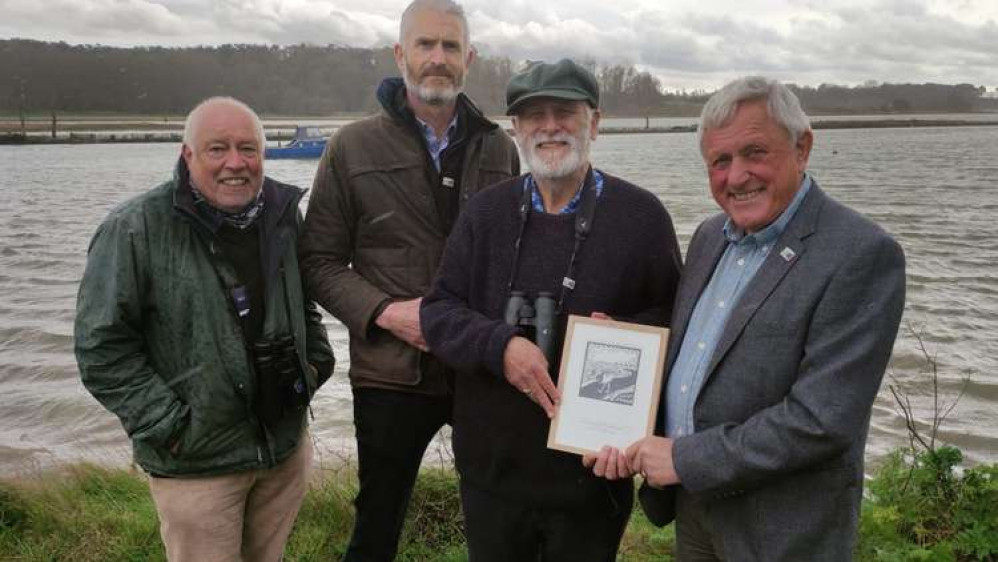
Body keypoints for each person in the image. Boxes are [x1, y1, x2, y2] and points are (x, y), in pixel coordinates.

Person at [587, 76, 907, 561]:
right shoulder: (709, 236)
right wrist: (624, 358)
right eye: (720, 161)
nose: (737, 176)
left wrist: (681, 458)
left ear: (802, 148)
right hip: (696, 507)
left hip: (779, 529)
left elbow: (820, 420)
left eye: (754, 152)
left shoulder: (862, 255)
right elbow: (694, 356)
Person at [420, 59, 683, 562]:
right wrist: (501, 347)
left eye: (564, 112)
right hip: (491, 475)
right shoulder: (485, 213)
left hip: (591, 477)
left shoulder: (642, 216)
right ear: (515, 130)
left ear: (595, 124)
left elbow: (678, 321)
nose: (549, 126)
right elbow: (439, 312)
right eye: (533, 115)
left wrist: (631, 335)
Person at [297, 0, 519, 559]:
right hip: (391, 375)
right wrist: (387, 314)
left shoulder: (501, 147)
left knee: (499, 517)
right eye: (425, 45)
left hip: (479, 368)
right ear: (401, 54)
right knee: (377, 525)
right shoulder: (351, 147)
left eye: (450, 46)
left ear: (469, 58)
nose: (437, 58)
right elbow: (317, 261)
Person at [74, 97, 335, 562]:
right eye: (217, 149)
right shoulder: (134, 229)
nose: (235, 163)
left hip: (282, 453)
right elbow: (101, 349)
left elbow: (305, 304)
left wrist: (314, 367)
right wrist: (169, 426)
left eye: (248, 148)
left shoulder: (281, 214)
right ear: (187, 154)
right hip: (197, 464)